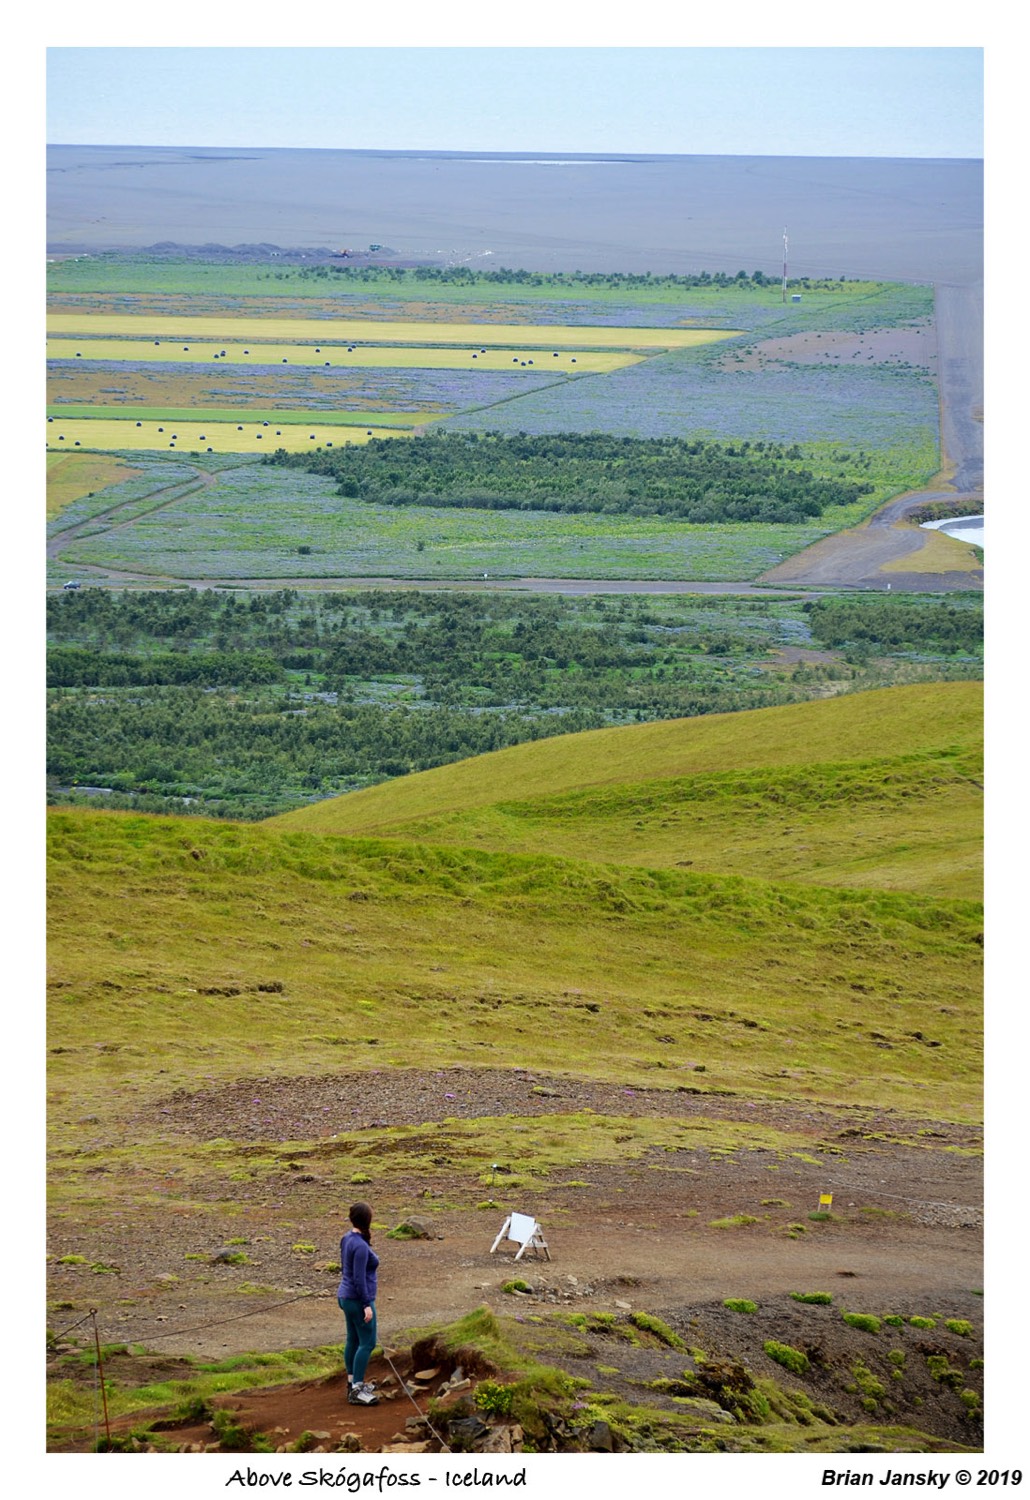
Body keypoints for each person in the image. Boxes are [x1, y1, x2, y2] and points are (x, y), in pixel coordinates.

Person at [338, 1202, 380, 1406]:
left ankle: (351, 1382)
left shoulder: (347, 1238)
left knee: (352, 1339)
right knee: (368, 1342)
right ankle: (357, 1388)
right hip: (358, 1299)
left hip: (345, 1296)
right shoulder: (361, 1246)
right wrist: (366, 1304)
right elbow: (359, 1277)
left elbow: (347, 1269)